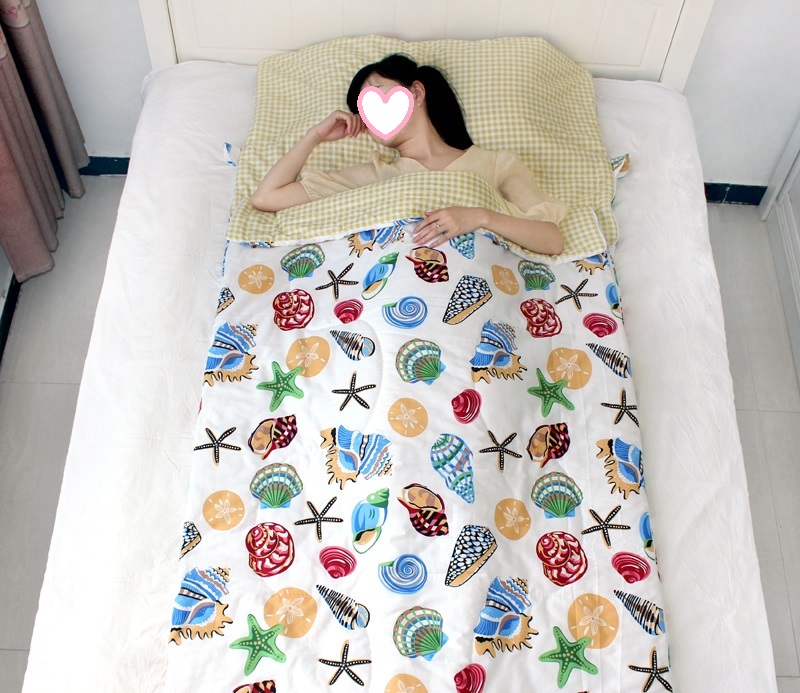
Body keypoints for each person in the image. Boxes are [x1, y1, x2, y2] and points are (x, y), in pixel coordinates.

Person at [250, 53, 567, 256]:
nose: (372, 113)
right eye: (364, 108)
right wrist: (314, 136)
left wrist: (480, 217)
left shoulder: (496, 164)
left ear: (415, 92)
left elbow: (552, 240)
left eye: (377, 95)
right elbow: (267, 197)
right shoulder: (377, 174)